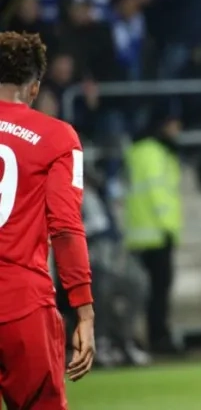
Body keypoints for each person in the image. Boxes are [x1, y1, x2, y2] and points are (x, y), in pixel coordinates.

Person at [0, 31, 95, 408]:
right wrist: (84, 312)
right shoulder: (57, 138)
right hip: (23, 306)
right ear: (35, 88)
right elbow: (66, 227)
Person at [124, 107, 184, 355]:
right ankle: (158, 337)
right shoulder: (155, 153)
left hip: (139, 233)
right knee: (159, 291)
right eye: (173, 124)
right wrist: (170, 227)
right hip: (157, 234)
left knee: (143, 293)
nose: (177, 130)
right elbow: (159, 194)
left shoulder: (138, 151)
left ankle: (144, 337)